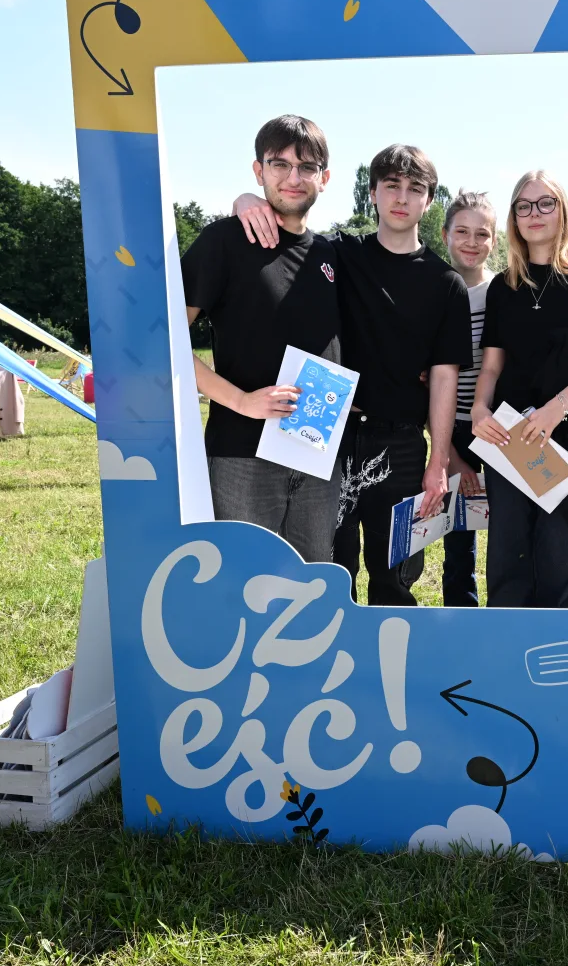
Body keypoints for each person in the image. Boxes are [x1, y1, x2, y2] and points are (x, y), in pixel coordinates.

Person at [234, 145, 470, 606]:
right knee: (325, 569)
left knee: (395, 577)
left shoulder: (446, 284)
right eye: (391, 185)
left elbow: (445, 379)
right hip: (328, 432)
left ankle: (392, 651)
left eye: (415, 189)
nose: (401, 197)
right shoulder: (336, 254)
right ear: (372, 192)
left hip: (401, 444)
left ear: (429, 200)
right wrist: (246, 199)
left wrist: (438, 463)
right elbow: (286, 225)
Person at [181, 115, 343, 564]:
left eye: (307, 167)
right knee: (244, 581)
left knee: (312, 583)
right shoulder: (224, 240)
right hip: (243, 454)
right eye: (279, 164)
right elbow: (163, 342)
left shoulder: (330, 254)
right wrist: (241, 401)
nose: (293, 177)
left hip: (316, 453)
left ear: (324, 178)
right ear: (258, 171)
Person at [471, 171, 568, 609]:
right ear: (514, 218)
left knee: (562, 558)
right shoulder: (504, 286)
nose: (534, 213)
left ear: (562, 210)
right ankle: (507, 643)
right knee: (508, 556)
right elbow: (492, 365)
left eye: (546, 203)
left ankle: (561, 645)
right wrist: (480, 409)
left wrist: (556, 409)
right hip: (511, 438)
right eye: (524, 206)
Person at [439, 191, 498, 608]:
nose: (471, 242)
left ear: (494, 239)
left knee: (508, 531)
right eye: (462, 231)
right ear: (445, 234)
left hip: (497, 427)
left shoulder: (503, 291)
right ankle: (461, 616)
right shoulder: (434, 291)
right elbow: (427, 385)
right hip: (451, 427)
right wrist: (450, 455)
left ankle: (505, 614)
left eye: (482, 233)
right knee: (458, 537)